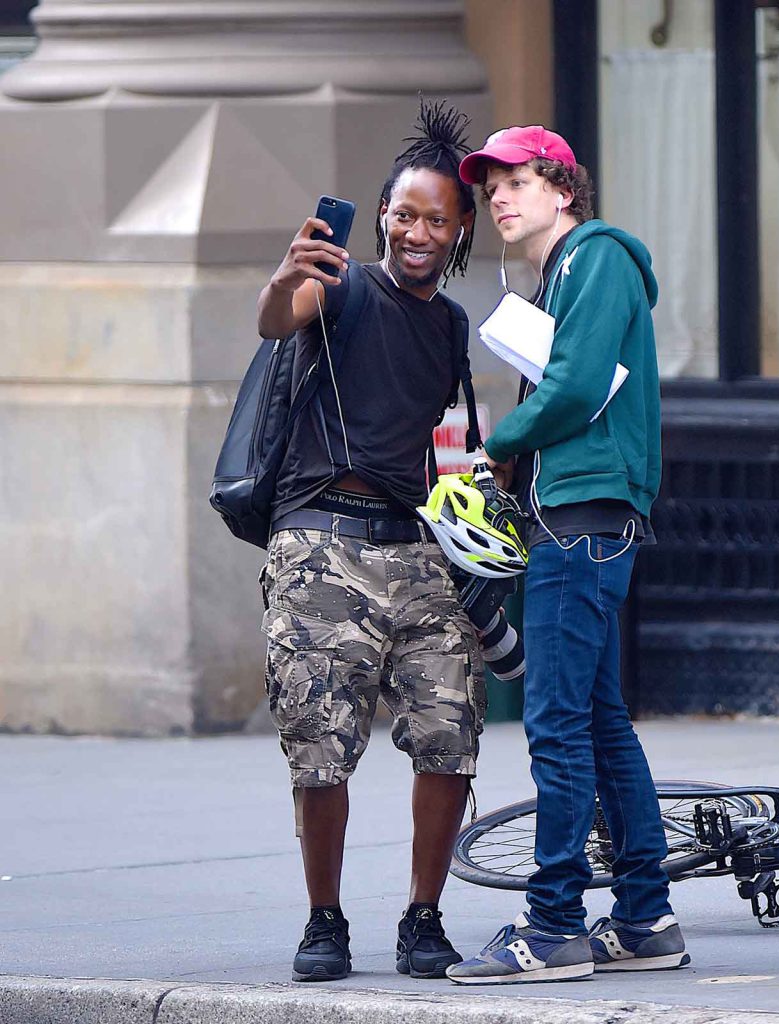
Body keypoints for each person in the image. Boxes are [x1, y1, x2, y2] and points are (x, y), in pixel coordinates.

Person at [446, 126, 688, 984]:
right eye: (492, 188)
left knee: (554, 720)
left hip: (581, 521)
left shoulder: (595, 260)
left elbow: (579, 384)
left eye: (518, 181)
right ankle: (647, 917)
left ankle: (550, 926)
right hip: (581, 516)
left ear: (564, 190)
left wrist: (499, 446)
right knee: (597, 721)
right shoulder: (563, 274)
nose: (500, 198)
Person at [254, 100, 485, 983]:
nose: (416, 229)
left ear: (459, 228)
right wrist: (286, 277)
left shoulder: (452, 325)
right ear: (381, 213)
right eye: (403, 212)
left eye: (436, 217)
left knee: (451, 734)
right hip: (321, 548)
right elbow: (279, 319)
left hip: (418, 550)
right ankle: (325, 921)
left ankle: (423, 918)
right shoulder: (342, 286)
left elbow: (440, 441)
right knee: (321, 741)